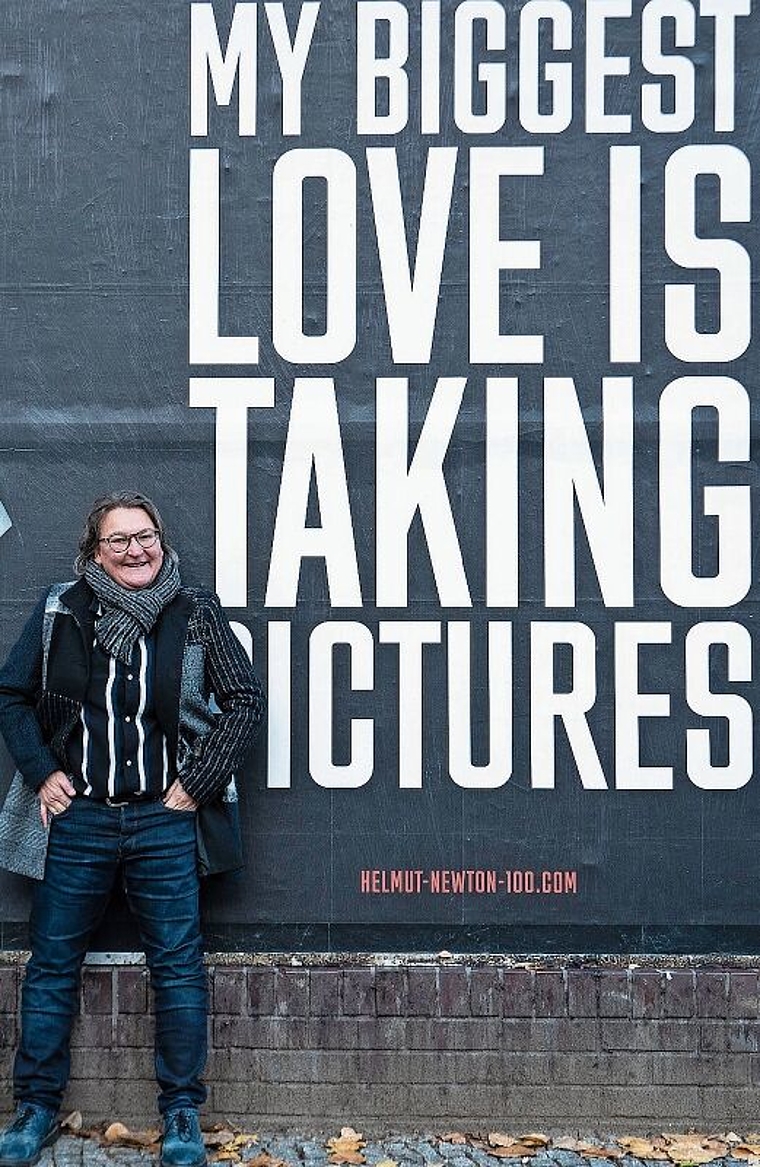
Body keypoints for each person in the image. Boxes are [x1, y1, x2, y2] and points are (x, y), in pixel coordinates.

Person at [0, 492, 265, 1167]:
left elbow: (244, 699)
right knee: (52, 966)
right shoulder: (64, 610)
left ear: (161, 539)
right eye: (117, 540)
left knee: (177, 966)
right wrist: (40, 771)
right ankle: (34, 1108)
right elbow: (12, 694)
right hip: (79, 819)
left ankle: (181, 1113)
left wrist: (198, 781)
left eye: (144, 536)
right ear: (93, 552)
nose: (135, 550)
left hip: (162, 820)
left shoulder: (194, 610)